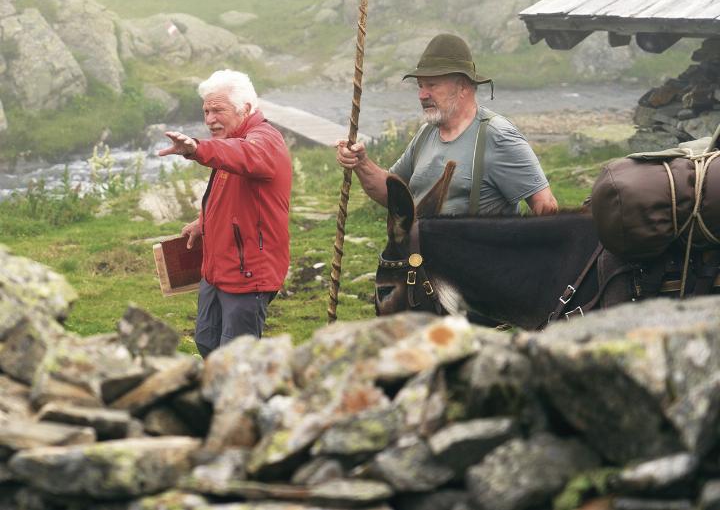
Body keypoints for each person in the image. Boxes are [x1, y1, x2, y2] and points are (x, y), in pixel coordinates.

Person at [336, 33, 558, 216]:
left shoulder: (498, 136)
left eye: (432, 85)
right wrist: (361, 163)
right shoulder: (426, 135)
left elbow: (546, 206)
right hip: (422, 266)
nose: (422, 95)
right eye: (420, 85)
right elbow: (391, 193)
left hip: (476, 268)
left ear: (462, 87)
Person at [158, 69, 291, 357]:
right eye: (206, 111)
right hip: (217, 269)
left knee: (234, 357)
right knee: (207, 342)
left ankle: (241, 400)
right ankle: (218, 396)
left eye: (217, 110)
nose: (209, 120)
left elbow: (241, 155)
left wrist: (197, 150)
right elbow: (230, 192)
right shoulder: (233, 139)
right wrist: (202, 222)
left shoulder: (265, 140)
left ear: (245, 108)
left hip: (248, 273)